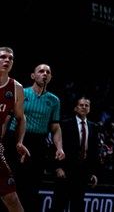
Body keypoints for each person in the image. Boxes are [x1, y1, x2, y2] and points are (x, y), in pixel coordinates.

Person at [13, 63, 63, 212]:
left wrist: (59, 147)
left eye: (48, 72)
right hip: (18, 140)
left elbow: (55, 127)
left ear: (51, 77)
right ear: (33, 76)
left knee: (33, 185)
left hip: (39, 144)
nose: (45, 74)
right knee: (13, 182)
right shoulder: (22, 93)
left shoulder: (54, 100)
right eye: (41, 71)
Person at [53, 97, 101, 212]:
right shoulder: (65, 124)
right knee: (59, 205)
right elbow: (55, 146)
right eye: (81, 105)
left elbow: (94, 152)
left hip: (82, 174)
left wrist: (93, 173)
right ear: (75, 108)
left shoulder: (94, 127)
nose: (84, 107)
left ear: (89, 109)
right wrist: (58, 167)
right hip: (65, 171)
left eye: (86, 105)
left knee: (78, 206)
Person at [0, 47, 29, 212]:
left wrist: (19, 141)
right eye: (3, 57)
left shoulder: (16, 88)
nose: (7, 60)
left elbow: (21, 117)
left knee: (11, 198)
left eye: (10, 58)